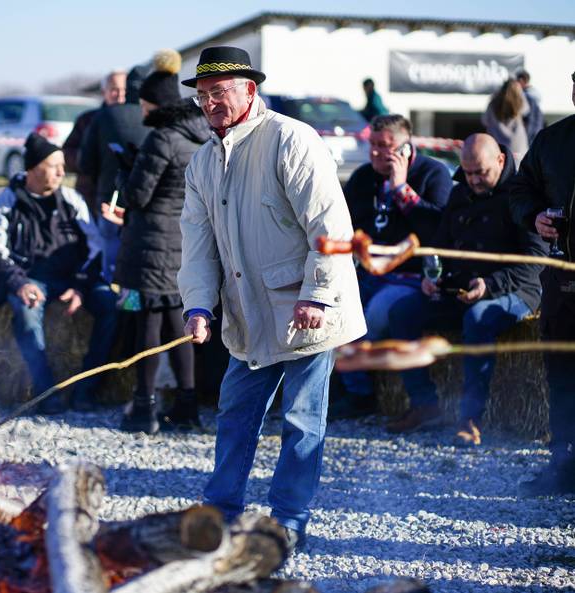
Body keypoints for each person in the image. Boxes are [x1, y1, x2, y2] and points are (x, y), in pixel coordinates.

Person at [178, 46, 365, 553]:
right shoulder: (201, 162)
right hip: (250, 313)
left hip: (307, 309)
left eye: (220, 92)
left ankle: (289, 520)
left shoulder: (290, 139)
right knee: (235, 412)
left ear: (249, 90)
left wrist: (319, 296)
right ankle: (220, 512)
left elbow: (330, 228)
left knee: (303, 420)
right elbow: (196, 244)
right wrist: (198, 305)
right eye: (202, 96)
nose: (211, 103)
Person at [385, 134, 545, 438]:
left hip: (517, 290)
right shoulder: (460, 194)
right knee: (402, 313)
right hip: (461, 289)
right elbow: (440, 247)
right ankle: (425, 406)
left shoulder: (524, 197)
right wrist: (432, 277)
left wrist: (490, 284)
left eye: (480, 172)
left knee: (478, 319)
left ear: (500, 160)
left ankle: (471, 419)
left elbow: (535, 263)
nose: (472, 180)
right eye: (467, 172)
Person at [99, 50, 209, 434]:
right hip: (183, 246)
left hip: (147, 248)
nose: (141, 111)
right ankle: (187, 406)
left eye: (144, 104)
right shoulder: (200, 134)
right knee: (179, 323)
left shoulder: (161, 138)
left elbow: (138, 197)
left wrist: (123, 175)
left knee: (145, 320)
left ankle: (144, 408)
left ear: (157, 104)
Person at [0, 133, 118, 414]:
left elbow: (95, 249)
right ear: (32, 168)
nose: (61, 171)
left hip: (73, 278)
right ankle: (46, 393)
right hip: (30, 279)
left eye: (62, 165)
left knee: (110, 305)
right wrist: (18, 284)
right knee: (26, 310)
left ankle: (86, 390)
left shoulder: (70, 199)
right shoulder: (5, 202)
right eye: (53, 165)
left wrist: (80, 286)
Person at [332, 114, 452, 419]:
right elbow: (346, 225)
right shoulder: (362, 178)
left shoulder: (432, 174)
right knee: (332, 308)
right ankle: (359, 395)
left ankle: (420, 402)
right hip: (368, 271)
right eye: (371, 144)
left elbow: (438, 228)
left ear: (406, 149)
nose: (374, 152)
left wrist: (402, 191)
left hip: (412, 275)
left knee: (374, 316)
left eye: (384, 146)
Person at [508, 71, 575, 497]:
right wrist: (534, 215)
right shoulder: (553, 140)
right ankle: (564, 468)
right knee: (563, 374)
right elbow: (520, 188)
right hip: (563, 279)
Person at [79, 66, 149, 282]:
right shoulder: (151, 117)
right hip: (144, 203)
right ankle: (131, 307)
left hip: (109, 201)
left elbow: (85, 164)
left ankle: (115, 304)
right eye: (113, 89)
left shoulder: (102, 117)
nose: (119, 95)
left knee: (111, 261)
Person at [63, 70, 126, 212]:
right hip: (91, 196)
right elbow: (67, 153)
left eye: (125, 90)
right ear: (104, 92)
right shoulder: (87, 120)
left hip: (124, 198)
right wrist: (87, 159)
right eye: (115, 89)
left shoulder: (137, 122)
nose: (120, 95)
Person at [482, 79, 530, 166]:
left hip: (497, 148)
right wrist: (520, 93)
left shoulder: (493, 104)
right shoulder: (519, 103)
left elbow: (485, 121)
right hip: (518, 148)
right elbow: (526, 110)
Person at [516, 70, 544, 145]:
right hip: (536, 132)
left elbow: (529, 118)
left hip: (530, 134)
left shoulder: (526, 96)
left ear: (521, 80)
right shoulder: (536, 93)